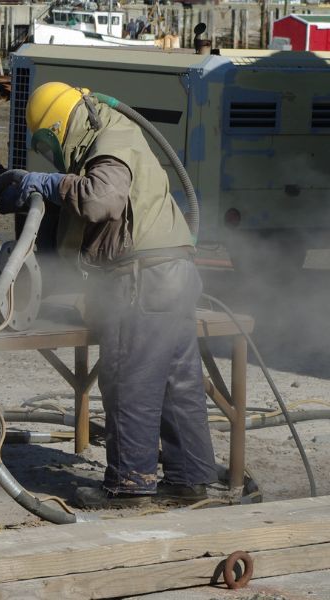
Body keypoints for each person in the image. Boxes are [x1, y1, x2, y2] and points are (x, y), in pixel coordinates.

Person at [12, 82, 218, 509]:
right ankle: (189, 479)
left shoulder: (107, 138)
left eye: (49, 143)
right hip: (173, 274)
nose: (53, 155)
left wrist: (50, 184)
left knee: (129, 379)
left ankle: (129, 485)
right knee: (177, 382)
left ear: (60, 125)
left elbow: (99, 202)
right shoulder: (111, 134)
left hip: (141, 280)